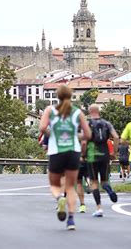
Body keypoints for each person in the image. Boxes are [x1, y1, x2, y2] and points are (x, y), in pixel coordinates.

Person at [39, 85, 91, 230]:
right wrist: (75, 135)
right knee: (70, 186)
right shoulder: (77, 112)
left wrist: (54, 134)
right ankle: (71, 220)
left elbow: (42, 128)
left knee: (55, 185)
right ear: (71, 96)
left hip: (56, 152)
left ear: (57, 96)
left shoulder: (50, 110)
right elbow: (87, 134)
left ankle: (60, 198)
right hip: (73, 152)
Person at [83, 104, 119, 217]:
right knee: (104, 182)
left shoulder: (88, 124)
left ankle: (99, 208)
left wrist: (83, 154)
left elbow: (84, 141)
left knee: (94, 182)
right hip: (105, 154)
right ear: (99, 112)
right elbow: (116, 137)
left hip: (92, 155)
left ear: (89, 112)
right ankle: (109, 191)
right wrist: (114, 153)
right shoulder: (107, 124)